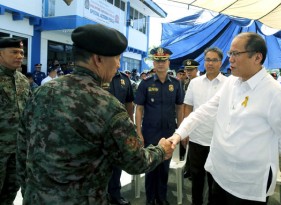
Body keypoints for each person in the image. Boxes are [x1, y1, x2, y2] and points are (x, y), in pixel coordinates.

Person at [16, 24, 174, 205]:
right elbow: (135, 162)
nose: (118, 64)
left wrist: (29, 191)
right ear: (98, 59)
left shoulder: (41, 92)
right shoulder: (107, 106)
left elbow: (22, 149)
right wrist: (161, 150)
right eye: (116, 57)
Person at [168, 32, 281, 205]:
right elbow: (204, 110)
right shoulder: (231, 83)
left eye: (236, 54)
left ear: (257, 57)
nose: (230, 59)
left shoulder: (275, 94)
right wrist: (178, 134)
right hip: (220, 174)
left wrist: (258, 146)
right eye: (230, 54)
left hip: (248, 184)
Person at [134, 47, 184, 205]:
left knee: (164, 166)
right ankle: (150, 199)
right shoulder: (145, 83)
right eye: (157, 60)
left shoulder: (176, 84)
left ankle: (161, 198)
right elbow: (139, 109)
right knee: (150, 166)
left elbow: (179, 107)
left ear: (168, 62)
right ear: (153, 63)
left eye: (163, 61)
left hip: (168, 132)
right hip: (150, 132)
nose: (160, 64)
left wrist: (181, 130)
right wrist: (139, 132)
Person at [182, 49, 227, 205]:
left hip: (218, 141)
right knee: (196, 177)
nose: (210, 63)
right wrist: (185, 131)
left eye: (214, 60)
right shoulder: (195, 83)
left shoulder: (228, 84)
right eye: (207, 59)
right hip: (197, 138)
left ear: (221, 62)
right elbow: (188, 107)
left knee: (215, 180)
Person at [0, 37, 31, 204]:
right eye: (14, 52)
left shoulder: (22, 80)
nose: (20, 56)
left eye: (21, 52)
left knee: (10, 192)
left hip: (17, 150)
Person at [105, 70, 135, 205]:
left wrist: (130, 124)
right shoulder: (98, 76)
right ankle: (100, 195)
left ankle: (115, 194)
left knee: (117, 163)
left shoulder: (125, 79)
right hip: (100, 128)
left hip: (120, 130)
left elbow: (129, 102)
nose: (117, 61)